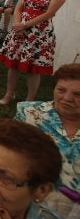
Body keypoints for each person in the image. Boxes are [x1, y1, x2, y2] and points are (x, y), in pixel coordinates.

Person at [0, 0, 67, 104]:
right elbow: (18, 8)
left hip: (39, 34)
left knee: (33, 69)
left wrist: (25, 25)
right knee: (13, 64)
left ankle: (30, 100)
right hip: (19, 30)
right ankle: (9, 94)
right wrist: (17, 24)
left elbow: (49, 13)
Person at [14, 63, 80, 218]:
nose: (67, 98)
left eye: (78, 94)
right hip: (27, 201)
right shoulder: (29, 113)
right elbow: (7, 152)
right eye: (61, 90)